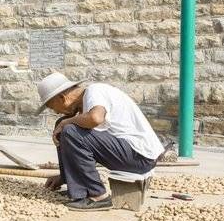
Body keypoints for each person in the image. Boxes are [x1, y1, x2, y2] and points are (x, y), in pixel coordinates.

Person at [36, 72, 165, 211]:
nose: (56, 112)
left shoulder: (94, 91)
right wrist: (63, 175)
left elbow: (96, 118)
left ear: (62, 98)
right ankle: (71, 181)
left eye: (52, 107)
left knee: (69, 130)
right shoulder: (87, 102)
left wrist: (67, 122)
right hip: (131, 154)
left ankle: (98, 196)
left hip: (140, 156)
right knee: (63, 125)